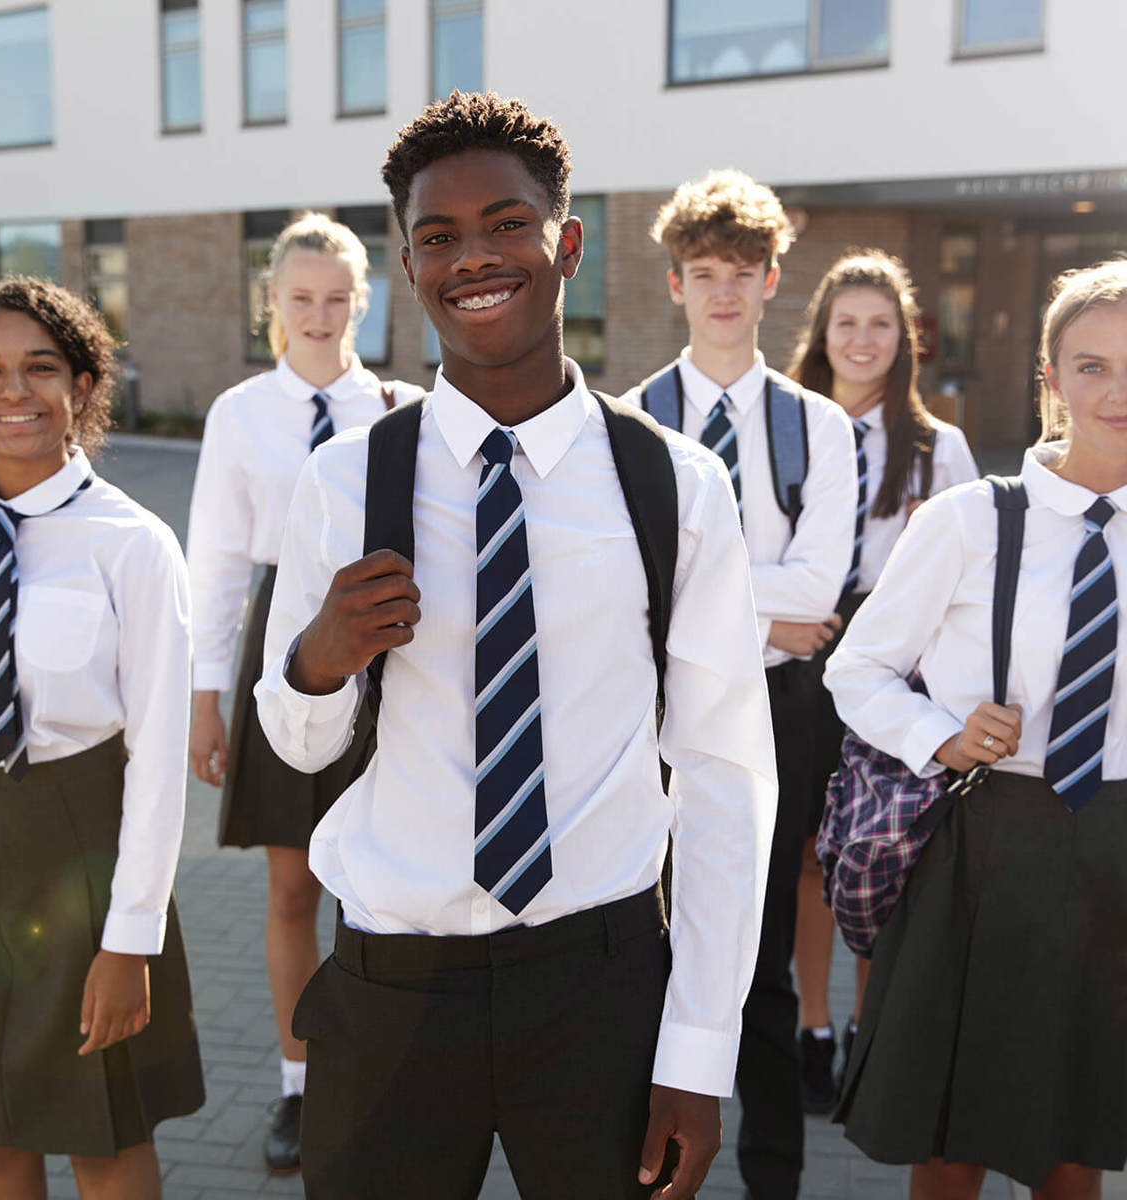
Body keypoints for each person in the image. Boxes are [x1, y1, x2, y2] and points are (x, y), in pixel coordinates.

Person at [255, 91, 778, 1200]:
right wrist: (316, 658)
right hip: (393, 989)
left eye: (507, 223)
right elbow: (299, 748)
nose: (475, 258)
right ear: (407, 266)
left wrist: (696, 1053)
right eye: (439, 237)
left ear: (567, 245)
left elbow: (726, 778)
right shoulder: (344, 482)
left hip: (599, 988)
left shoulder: (673, 485)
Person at [824, 258, 1127, 1199]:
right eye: (1092, 366)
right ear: (1050, 379)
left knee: (1074, 1148)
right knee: (948, 1143)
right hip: (982, 849)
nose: (1117, 391)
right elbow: (857, 668)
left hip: (1117, 853)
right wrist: (942, 735)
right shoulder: (971, 521)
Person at [0, 277, 203, 1199]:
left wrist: (132, 940)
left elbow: (161, 762)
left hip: (83, 853)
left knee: (101, 1133)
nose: (15, 392)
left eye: (41, 368)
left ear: (82, 386)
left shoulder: (132, 544)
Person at [623, 169, 858, 1199]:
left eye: (742, 273)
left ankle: (775, 1178)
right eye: (703, 273)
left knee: (760, 965)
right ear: (675, 283)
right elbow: (632, 586)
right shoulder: (626, 422)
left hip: (780, 711)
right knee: (644, 946)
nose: (723, 292)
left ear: (772, 282)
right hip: (653, 707)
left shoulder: (821, 425)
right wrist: (765, 606)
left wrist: (709, 589)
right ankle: (637, 1161)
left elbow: (822, 581)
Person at [185, 211, 420, 1172]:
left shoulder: (405, 408)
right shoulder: (240, 415)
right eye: (301, 299)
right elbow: (219, 563)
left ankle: (389, 1081)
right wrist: (207, 695)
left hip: (387, 646)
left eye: (337, 299)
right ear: (273, 304)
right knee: (292, 887)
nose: (319, 316)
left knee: (384, 888)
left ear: (362, 303)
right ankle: (295, 1084)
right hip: (281, 645)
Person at [784, 249, 978, 1112]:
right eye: (847, 323)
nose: (863, 340)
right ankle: (811, 1029)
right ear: (822, 335)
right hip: (801, 650)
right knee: (805, 856)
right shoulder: (785, 425)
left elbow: (971, 575)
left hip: (898, 664)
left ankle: (867, 1024)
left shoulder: (940, 449)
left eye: (881, 325)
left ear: (906, 340)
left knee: (877, 850)